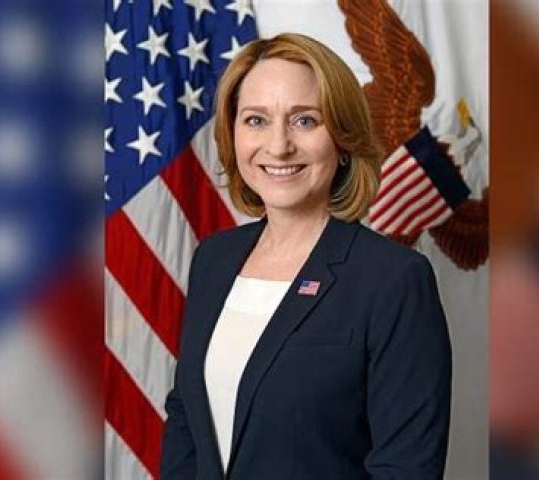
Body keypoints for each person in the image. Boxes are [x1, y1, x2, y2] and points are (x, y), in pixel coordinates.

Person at [160, 33, 452, 480]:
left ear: (343, 138)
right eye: (256, 120)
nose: (278, 145)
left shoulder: (393, 280)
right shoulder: (214, 259)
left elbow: (405, 469)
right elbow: (186, 414)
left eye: (305, 120)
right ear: (232, 134)